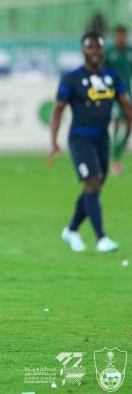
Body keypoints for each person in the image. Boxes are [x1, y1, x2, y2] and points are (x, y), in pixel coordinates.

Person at [49, 31, 132, 253]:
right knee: (92, 182)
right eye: (90, 47)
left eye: (98, 47)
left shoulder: (112, 77)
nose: (95, 51)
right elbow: (58, 110)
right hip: (80, 138)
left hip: (101, 139)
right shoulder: (72, 78)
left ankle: (72, 230)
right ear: (83, 50)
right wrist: (54, 141)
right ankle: (101, 238)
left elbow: (125, 105)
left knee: (94, 188)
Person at [105, 25, 132, 175]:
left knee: (128, 125)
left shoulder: (130, 52)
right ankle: (114, 160)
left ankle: (115, 155)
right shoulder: (109, 53)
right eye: (118, 35)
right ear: (115, 36)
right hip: (113, 94)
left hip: (128, 94)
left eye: (124, 35)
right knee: (117, 122)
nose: (121, 38)